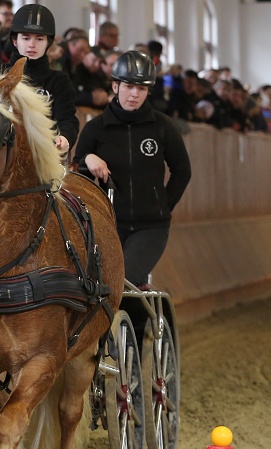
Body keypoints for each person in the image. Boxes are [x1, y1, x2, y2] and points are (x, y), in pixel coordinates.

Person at [73, 50, 192, 288]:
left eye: (142, 88)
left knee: (124, 281)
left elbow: (182, 171)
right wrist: (88, 159)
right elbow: (78, 180)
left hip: (151, 227)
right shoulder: (96, 129)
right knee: (98, 284)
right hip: (109, 225)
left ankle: (137, 323)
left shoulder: (162, 127)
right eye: (129, 86)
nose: (135, 94)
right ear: (115, 86)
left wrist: (163, 206)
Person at [9, 3, 79, 154]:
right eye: (26, 38)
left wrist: (65, 137)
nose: (32, 45)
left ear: (49, 43)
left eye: (39, 39)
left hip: (42, 154)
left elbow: (67, 118)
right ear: (15, 41)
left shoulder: (59, 81)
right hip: (2, 154)